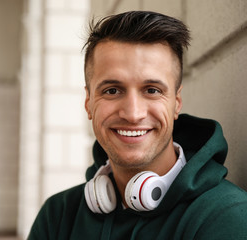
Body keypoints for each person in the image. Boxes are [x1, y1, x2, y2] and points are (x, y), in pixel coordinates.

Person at [28, 11, 247, 239]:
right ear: (88, 102)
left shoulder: (226, 217)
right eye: (112, 91)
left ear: (176, 103)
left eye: (152, 90)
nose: (133, 114)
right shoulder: (58, 216)